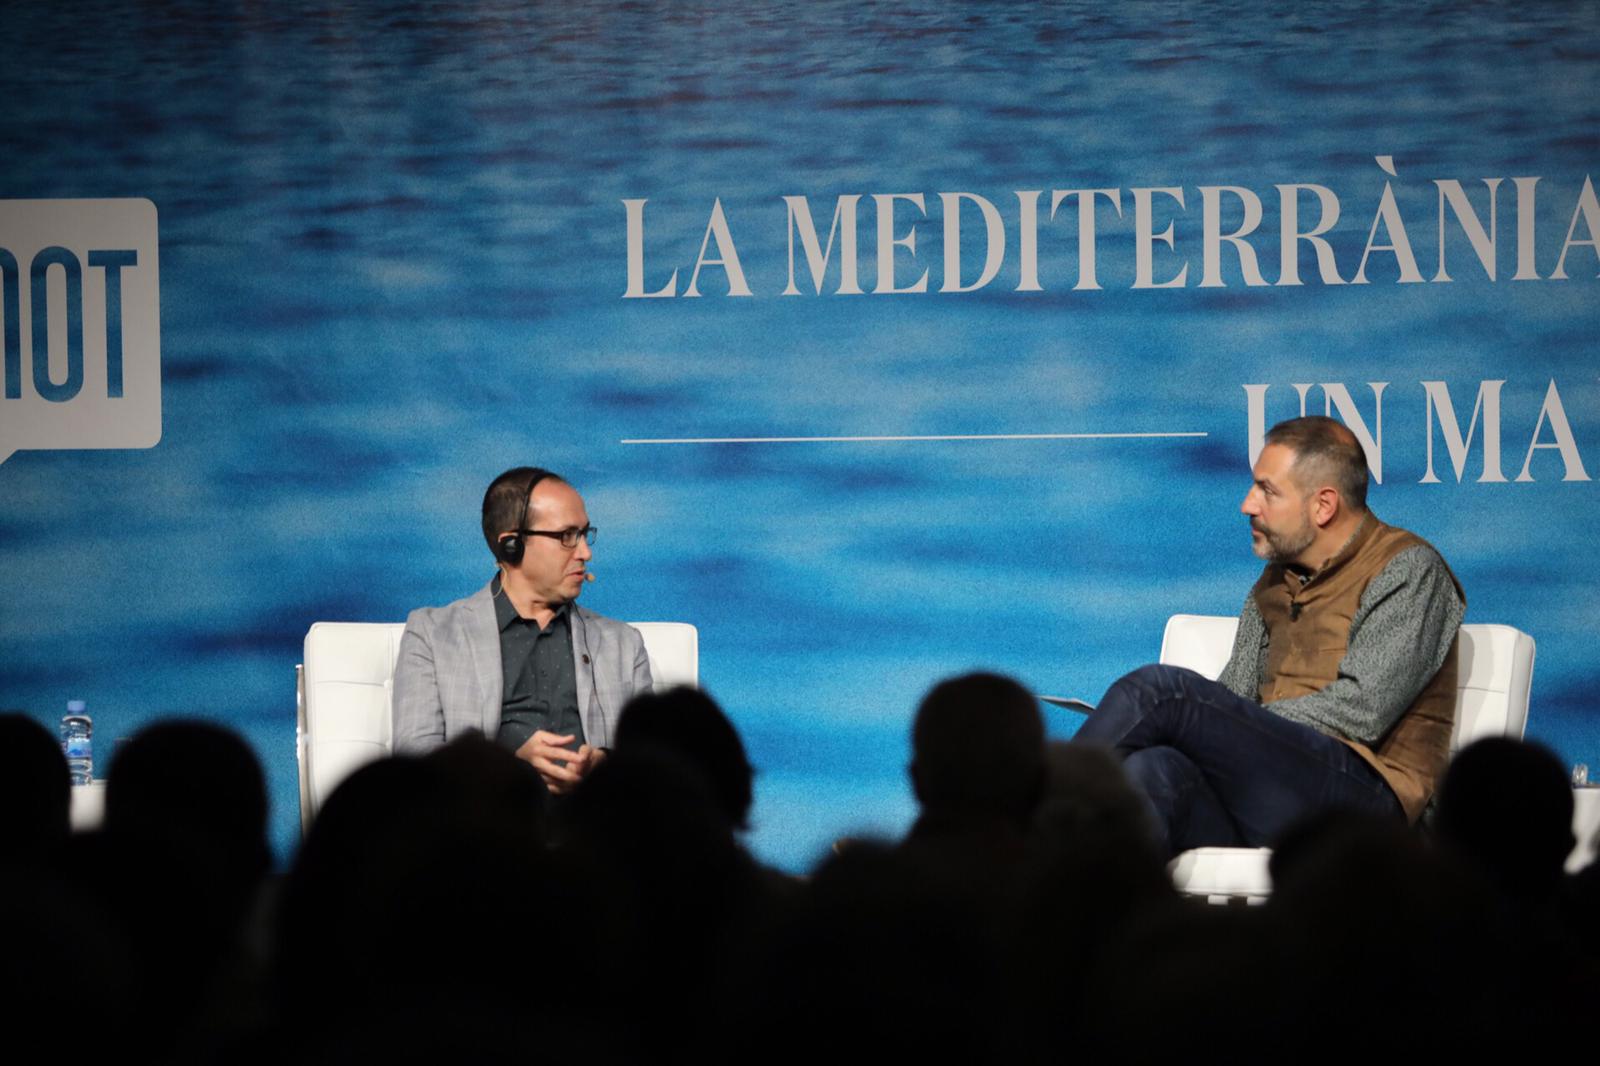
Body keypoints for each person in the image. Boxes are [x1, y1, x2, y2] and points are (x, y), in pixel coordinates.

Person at [1075, 416, 1465, 856]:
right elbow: (1233, 696)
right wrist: (1226, 722)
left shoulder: (1408, 569)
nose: (1247, 504)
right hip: (1271, 801)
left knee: (1164, 693)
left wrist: (1236, 721)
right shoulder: (1272, 585)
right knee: (1154, 770)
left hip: (1368, 810)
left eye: (1267, 490)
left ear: (1323, 505)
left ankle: (1023, 820)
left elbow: (1361, 712)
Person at [392, 466, 652, 794]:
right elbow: (414, 765)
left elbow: (655, 765)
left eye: (586, 534)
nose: (585, 553)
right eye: (566, 536)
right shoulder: (433, 634)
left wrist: (606, 764)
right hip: (483, 829)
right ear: (511, 545)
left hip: (592, 831)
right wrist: (509, 766)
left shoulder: (624, 646)